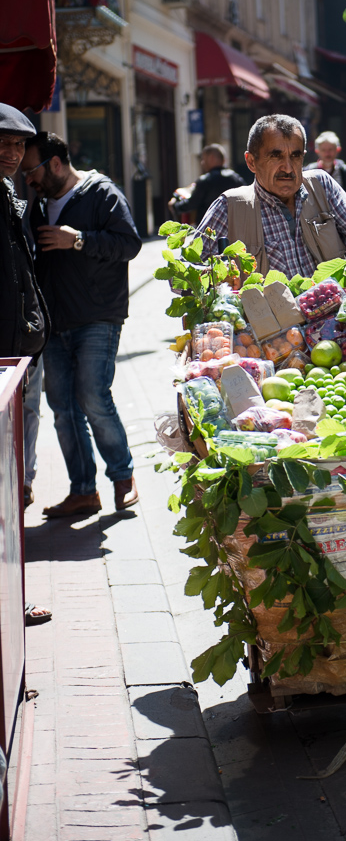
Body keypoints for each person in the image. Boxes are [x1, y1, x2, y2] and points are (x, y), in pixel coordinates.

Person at [22, 132, 142, 517]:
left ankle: (123, 477)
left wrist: (79, 240)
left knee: (93, 396)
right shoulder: (36, 203)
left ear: (55, 163)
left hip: (97, 316)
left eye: (33, 170)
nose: (29, 179)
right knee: (62, 407)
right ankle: (83, 491)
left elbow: (129, 243)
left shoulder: (101, 192)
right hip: (54, 321)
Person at [196, 114, 346, 278]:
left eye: (295, 156)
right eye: (276, 156)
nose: (288, 168)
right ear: (251, 162)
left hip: (335, 317)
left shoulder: (322, 186)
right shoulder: (230, 207)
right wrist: (218, 277)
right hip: (268, 323)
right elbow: (185, 275)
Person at [0, 103, 52, 624]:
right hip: (2, 363)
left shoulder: (13, 196)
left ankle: (11, 597)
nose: (12, 154)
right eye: (3, 145)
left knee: (9, 489)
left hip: (16, 359)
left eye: (18, 146)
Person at [169, 144, 244, 226]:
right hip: (234, 228)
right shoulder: (235, 178)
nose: (202, 163)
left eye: (203, 159)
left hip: (209, 231)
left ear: (211, 158)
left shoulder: (205, 180)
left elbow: (191, 204)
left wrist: (174, 206)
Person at [304, 131, 346, 209]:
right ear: (317, 151)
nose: (327, 153)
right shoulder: (308, 172)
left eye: (330, 149)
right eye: (323, 150)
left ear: (337, 150)